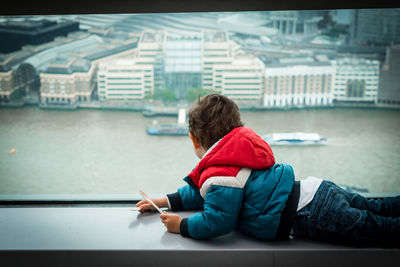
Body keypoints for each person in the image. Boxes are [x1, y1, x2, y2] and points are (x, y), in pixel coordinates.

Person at [136, 93, 400, 247]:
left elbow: (219, 221)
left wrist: (181, 226)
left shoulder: (220, 173)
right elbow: (206, 193)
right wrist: (167, 200)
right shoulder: (236, 153)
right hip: (317, 192)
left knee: (381, 230)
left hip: (310, 213)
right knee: (378, 208)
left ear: (194, 140)